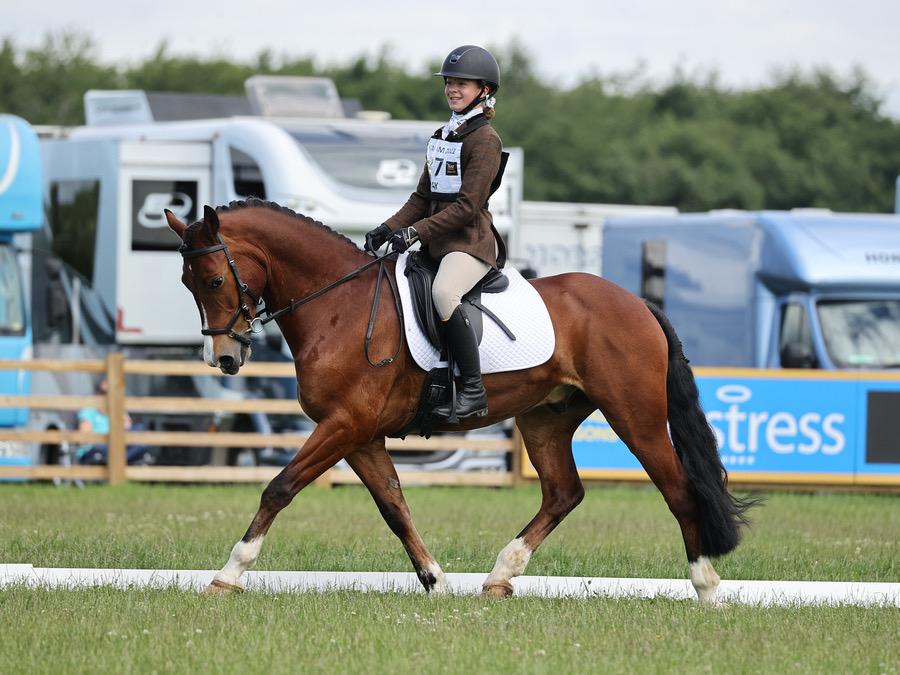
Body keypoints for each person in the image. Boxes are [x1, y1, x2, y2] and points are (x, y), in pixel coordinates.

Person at [365, 45, 507, 422]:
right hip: (436, 243)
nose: (453, 89)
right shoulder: (444, 135)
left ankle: (473, 389)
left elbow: (467, 207)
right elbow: (422, 197)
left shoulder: (485, 140)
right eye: (449, 83)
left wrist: (414, 232)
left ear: (484, 90)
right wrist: (387, 228)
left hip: (469, 243)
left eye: (461, 84)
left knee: (445, 292)